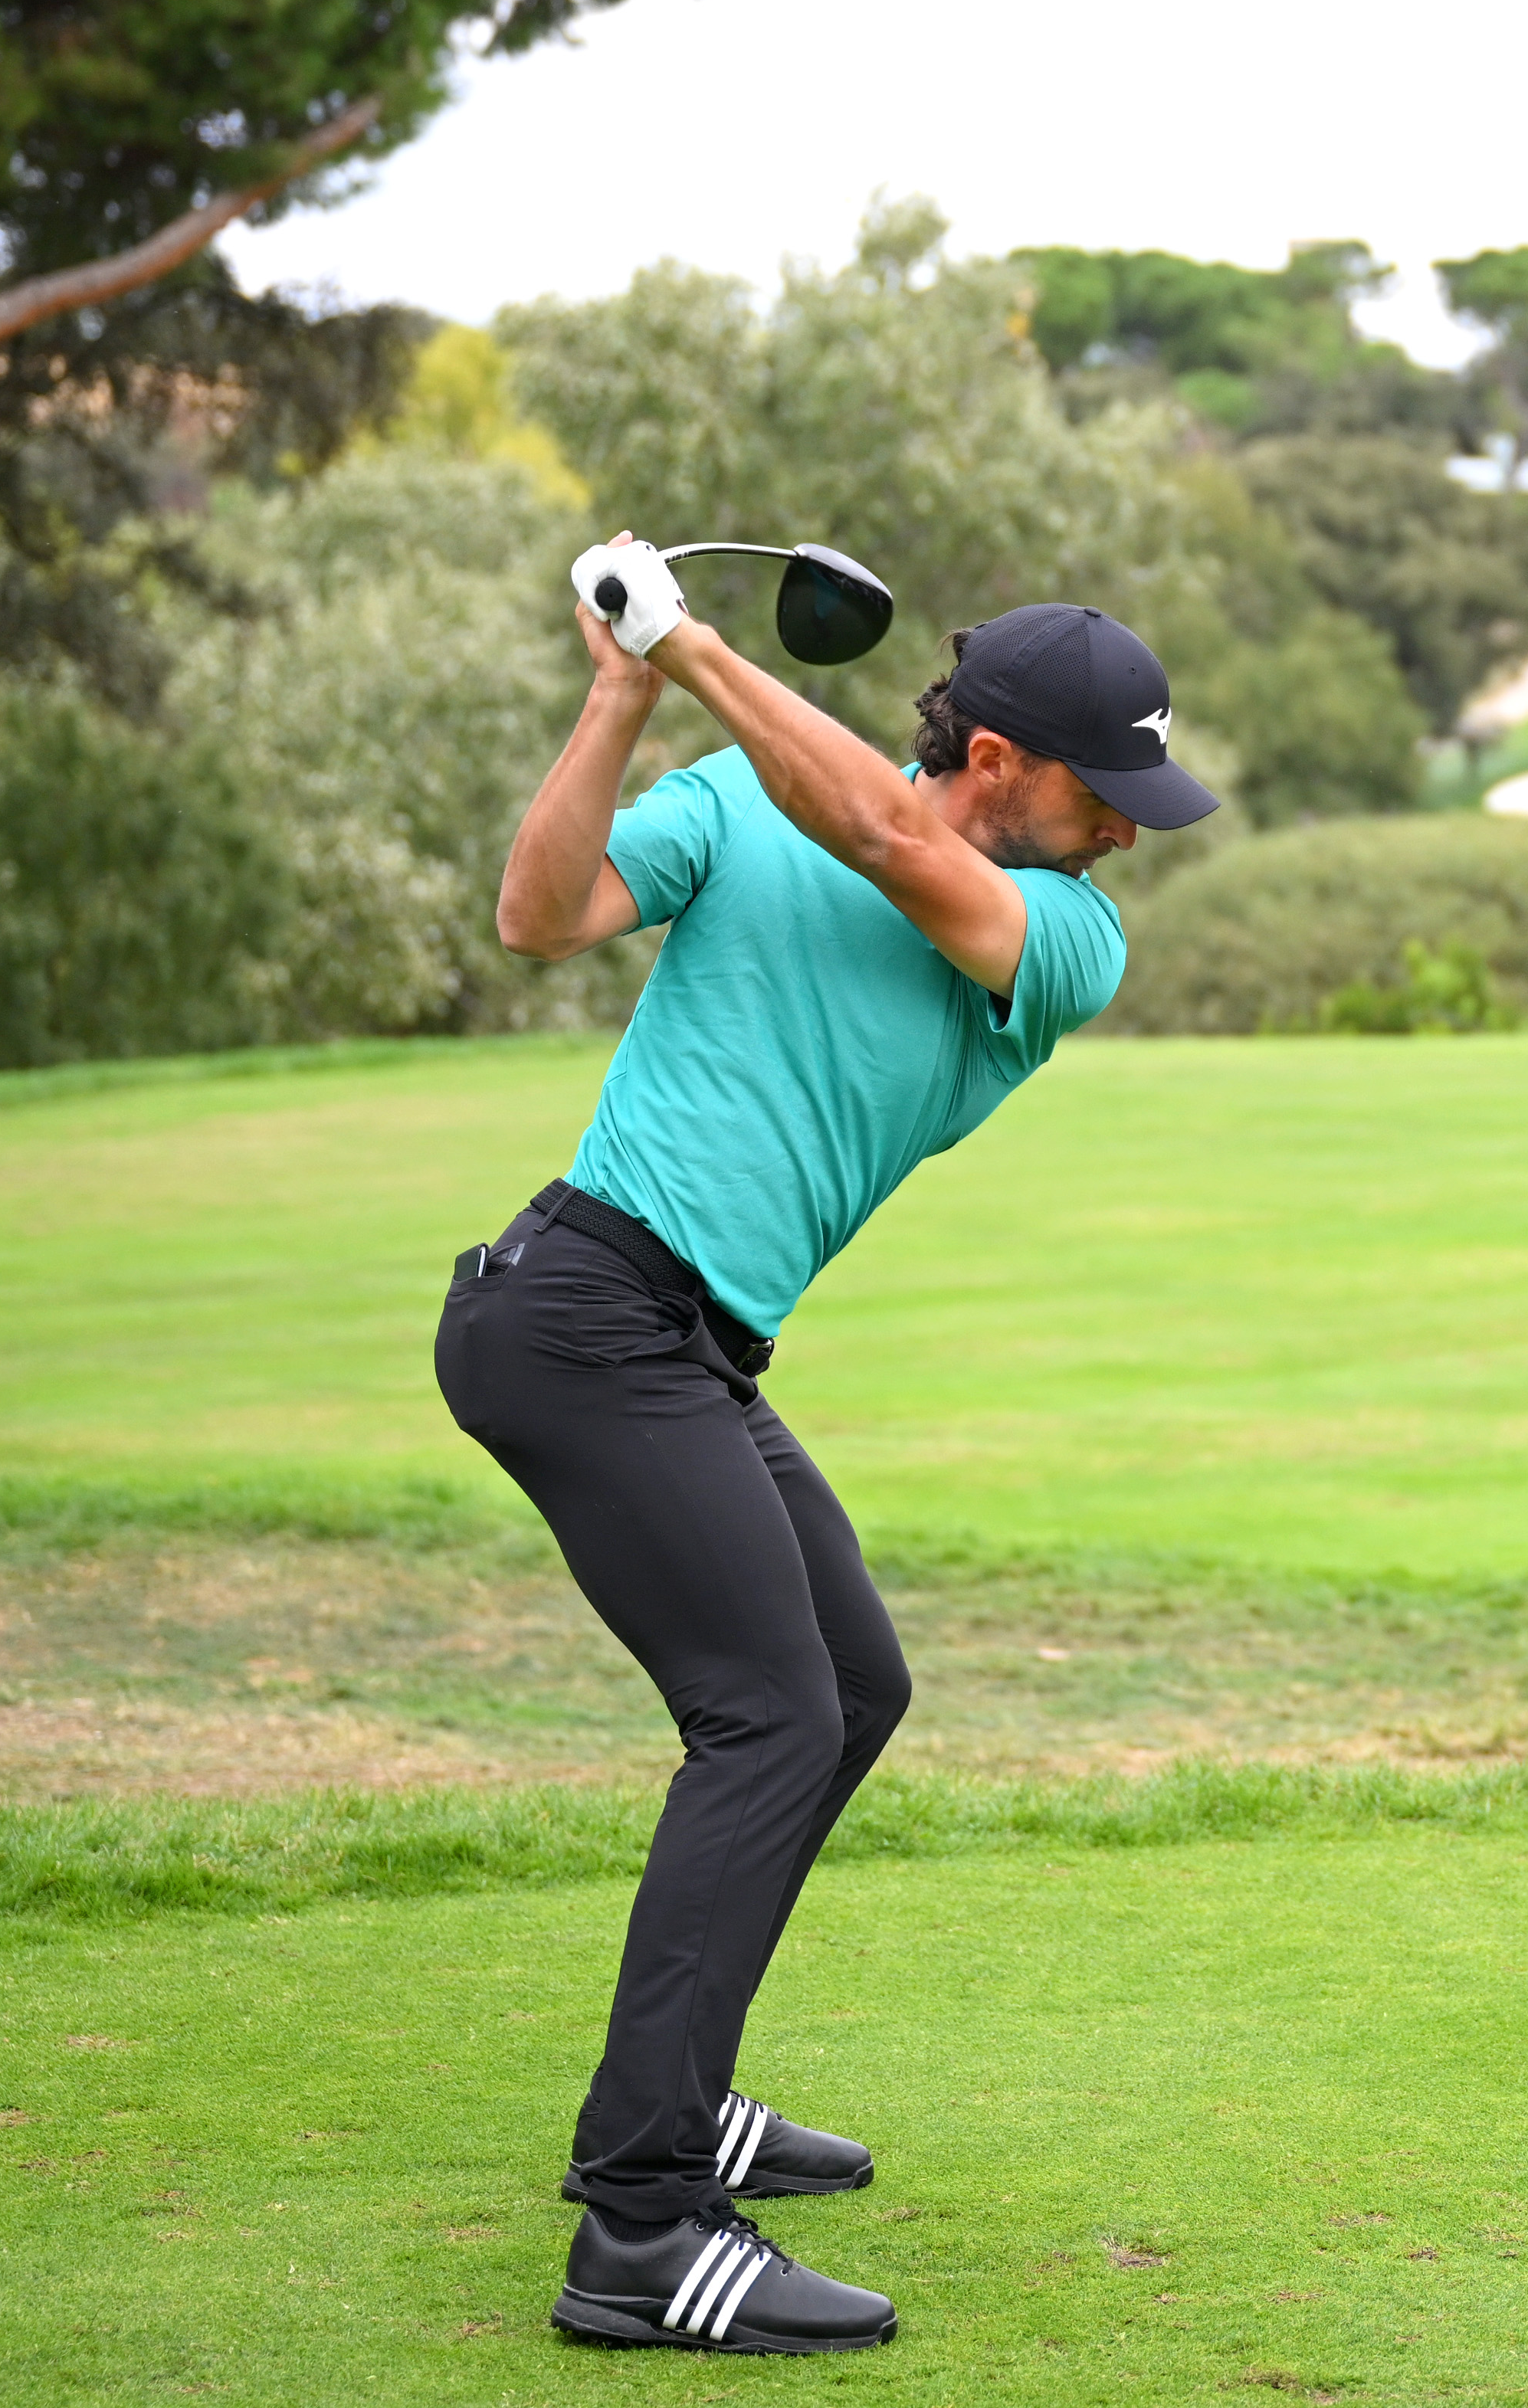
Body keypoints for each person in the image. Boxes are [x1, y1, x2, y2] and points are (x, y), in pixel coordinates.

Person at [441, 538, 1217, 2354]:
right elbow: (537, 916)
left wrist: (692, 645)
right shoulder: (734, 796)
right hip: (577, 1310)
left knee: (847, 1686)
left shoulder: (1066, 939)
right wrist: (623, 687)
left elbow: (883, 831)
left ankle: (673, 2091)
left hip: (686, 1347)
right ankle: (640, 2221)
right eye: (1110, 794)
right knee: (768, 1715)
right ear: (1007, 756)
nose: (1131, 832)